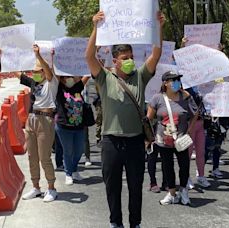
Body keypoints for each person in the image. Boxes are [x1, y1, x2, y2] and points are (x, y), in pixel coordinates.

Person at [85, 10, 164, 228]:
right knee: (112, 187)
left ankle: (135, 223)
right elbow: (89, 57)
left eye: (131, 57)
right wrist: (95, 28)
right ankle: (115, 223)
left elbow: (156, 53)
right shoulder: (104, 77)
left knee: (136, 185)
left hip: (135, 142)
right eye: (124, 58)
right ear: (115, 61)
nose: (129, 61)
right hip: (111, 142)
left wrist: (158, 27)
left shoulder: (140, 76)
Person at [0, 45, 59, 202]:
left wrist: (39, 56)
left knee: (44, 157)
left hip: (45, 120)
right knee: (32, 156)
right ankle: (36, 187)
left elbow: (48, 71)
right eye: (34, 71)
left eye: (38, 71)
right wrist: (3, 57)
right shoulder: (33, 83)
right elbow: (17, 73)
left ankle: (51, 188)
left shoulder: (52, 83)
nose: (35, 73)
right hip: (31, 120)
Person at [147, 71, 197, 205]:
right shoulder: (157, 98)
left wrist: (190, 130)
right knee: (167, 166)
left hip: (181, 139)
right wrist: (149, 137)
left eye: (178, 80)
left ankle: (184, 191)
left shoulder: (186, 97)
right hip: (163, 140)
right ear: (165, 83)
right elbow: (149, 118)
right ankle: (172, 193)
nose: (176, 82)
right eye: (173, 80)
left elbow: (195, 115)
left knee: (184, 166)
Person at [55, 76, 90, 185]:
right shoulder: (58, 87)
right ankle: (68, 173)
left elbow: (87, 75)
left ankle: (74, 169)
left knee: (79, 150)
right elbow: (54, 75)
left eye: (71, 76)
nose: (69, 79)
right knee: (68, 151)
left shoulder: (78, 86)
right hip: (63, 126)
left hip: (79, 126)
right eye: (66, 77)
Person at [186, 87, 211, 188]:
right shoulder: (185, 90)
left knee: (201, 152)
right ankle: (186, 177)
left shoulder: (201, 88)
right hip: (189, 123)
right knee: (188, 152)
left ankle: (201, 176)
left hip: (201, 122)